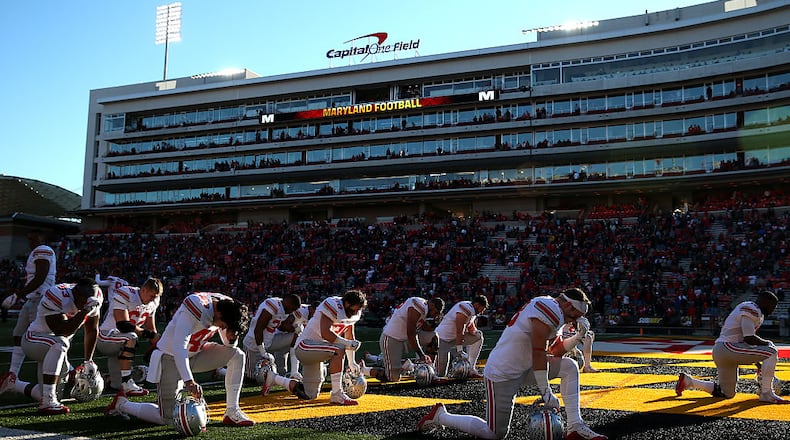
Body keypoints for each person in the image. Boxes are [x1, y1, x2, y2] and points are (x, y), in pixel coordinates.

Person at [417, 287, 608, 440]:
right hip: (503, 373)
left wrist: (578, 337)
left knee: (569, 367)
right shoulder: (548, 307)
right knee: (495, 434)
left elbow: (556, 351)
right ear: (566, 304)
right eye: (574, 314)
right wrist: (546, 391)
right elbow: (538, 351)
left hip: (524, 368)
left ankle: (575, 426)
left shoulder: (555, 313)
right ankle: (441, 416)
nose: (575, 319)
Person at [104, 291, 256, 426]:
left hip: (197, 353)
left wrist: (231, 336)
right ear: (220, 314)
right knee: (169, 418)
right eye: (223, 325)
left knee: (237, 354)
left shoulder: (226, 307)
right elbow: (179, 346)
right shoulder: (197, 305)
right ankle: (122, 404)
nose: (222, 328)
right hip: (170, 357)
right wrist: (189, 381)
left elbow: (229, 344)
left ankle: (232, 410)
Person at [0, 278, 103, 415]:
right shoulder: (56, 294)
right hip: (34, 340)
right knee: (60, 342)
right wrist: (84, 311)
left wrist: (88, 361)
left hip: (53, 347)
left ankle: (13, 383)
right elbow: (62, 331)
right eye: (82, 302)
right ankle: (47, 402)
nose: (84, 305)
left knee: (50, 392)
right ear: (76, 295)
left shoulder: (96, 296)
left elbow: (92, 330)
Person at [675, 289, 788, 404]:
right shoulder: (753, 309)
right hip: (728, 348)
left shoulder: (750, 308)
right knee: (772, 350)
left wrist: (758, 363)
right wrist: (767, 343)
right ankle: (766, 393)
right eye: (773, 306)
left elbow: (745, 341)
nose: (773, 310)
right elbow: (749, 338)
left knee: (727, 393)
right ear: (766, 303)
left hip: (722, 351)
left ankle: (690, 381)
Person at [294, 289, 367, 405]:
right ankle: (337, 394)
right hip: (305, 347)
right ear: (347, 304)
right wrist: (347, 344)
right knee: (338, 349)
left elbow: (349, 336)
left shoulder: (352, 313)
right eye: (355, 308)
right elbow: (326, 334)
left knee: (310, 395)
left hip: (318, 352)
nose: (356, 312)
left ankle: (277, 380)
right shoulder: (333, 305)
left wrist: (352, 362)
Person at [96, 278, 163, 395]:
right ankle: (127, 383)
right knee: (130, 337)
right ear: (144, 290)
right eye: (152, 296)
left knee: (117, 386)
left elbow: (150, 328)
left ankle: (108, 379)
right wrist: (147, 334)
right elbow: (123, 325)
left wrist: (158, 344)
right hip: (106, 336)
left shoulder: (154, 301)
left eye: (156, 297)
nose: (153, 299)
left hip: (120, 341)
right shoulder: (126, 294)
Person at [8, 230, 57, 378]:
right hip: (33, 299)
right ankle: (12, 375)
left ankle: (70, 372)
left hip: (41, 299)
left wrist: (18, 295)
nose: (31, 241)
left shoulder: (42, 250)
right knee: (18, 335)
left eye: (34, 237)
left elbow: (40, 278)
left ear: (42, 237)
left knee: (44, 341)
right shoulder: (39, 251)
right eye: (29, 238)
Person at [360, 297, 444, 382]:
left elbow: (425, 329)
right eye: (436, 312)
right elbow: (411, 333)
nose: (435, 315)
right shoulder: (419, 306)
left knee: (433, 336)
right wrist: (421, 354)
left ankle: (430, 369)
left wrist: (434, 325)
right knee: (393, 378)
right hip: (392, 339)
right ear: (432, 305)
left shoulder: (424, 309)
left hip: (405, 339)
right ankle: (363, 370)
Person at [242, 293, 308, 398]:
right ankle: (221, 371)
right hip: (254, 345)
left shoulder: (283, 309)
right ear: (288, 303)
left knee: (296, 337)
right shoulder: (271, 306)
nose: (291, 312)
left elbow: (280, 326)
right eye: (292, 309)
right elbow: (258, 329)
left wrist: (294, 329)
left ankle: (293, 372)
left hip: (270, 341)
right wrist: (263, 352)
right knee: (252, 378)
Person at [435, 295, 488, 378]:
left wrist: (474, 332)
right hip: (442, 339)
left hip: (454, 339)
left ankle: (471, 368)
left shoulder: (472, 311)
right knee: (441, 374)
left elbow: (470, 327)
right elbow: (459, 330)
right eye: (482, 309)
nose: (482, 312)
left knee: (478, 336)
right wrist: (460, 350)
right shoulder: (466, 308)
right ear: (477, 305)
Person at [277, 301, 317, 380]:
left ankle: (295, 372)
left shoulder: (312, 312)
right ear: (312, 309)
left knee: (281, 372)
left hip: (288, 336)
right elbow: (283, 326)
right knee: (297, 338)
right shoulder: (301, 311)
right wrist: (294, 329)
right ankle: (294, 372)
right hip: (278, 335)